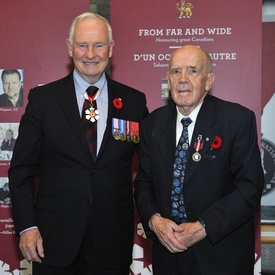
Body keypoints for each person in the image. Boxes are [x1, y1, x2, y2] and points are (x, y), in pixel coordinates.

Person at [9, 12, 148, 275]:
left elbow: (153, 167)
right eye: (82, 45)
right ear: (70, 48)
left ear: (111, 48)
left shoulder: (134, 102)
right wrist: (27, 227)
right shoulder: (43, 100)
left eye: (99, 45)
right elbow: (21, 170)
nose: (90, 54)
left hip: (112, 241)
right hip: (52, 241)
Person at [133, 45, 264, 275]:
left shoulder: (237, 121)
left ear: (209, 80)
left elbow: (249, 189)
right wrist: (155, 221)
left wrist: (204, 226)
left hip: (221, 258)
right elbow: (143, 184)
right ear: (168, 80)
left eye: (193, 70)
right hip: (168, 257)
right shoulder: (152, 124)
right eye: (175, 72)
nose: (183, 79)